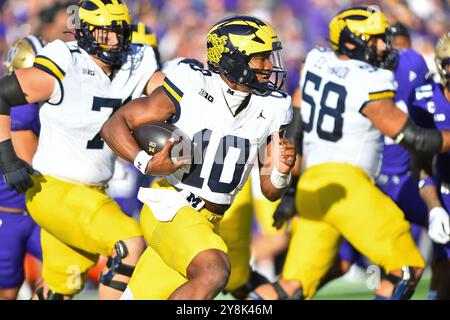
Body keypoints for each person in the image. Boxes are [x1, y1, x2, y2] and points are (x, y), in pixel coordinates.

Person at [250, 6, 450, 300]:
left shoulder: (316, 61)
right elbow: (414, 139)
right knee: (407, 267)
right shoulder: (370, 79)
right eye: (375, 39)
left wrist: (291, 193)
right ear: (351, 41)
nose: (383, 46)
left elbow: (297, 119)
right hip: (348, 185)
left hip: (312, 187)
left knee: (290, 285)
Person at [101, 15, 296, 300]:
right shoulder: (191, 83)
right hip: (170, 208)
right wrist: (145, 162)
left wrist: (282, 170)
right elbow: (115, 125)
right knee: (213, 271)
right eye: (260, 58)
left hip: (208, 221)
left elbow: (270, 191)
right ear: (233, 59)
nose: (269, 66)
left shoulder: (275, 106)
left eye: (269, 57)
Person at [0, 0, 162, 300]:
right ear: (86, 32)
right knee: (130, 241)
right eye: (105, 33)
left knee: (60, 290)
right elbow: (1, 94)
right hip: (55, 190)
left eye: (120, 32)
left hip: (93, 192)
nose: (114, 41)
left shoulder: (136, 61)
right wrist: (8, 159)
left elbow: (169, 96)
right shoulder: (65, 59)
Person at [0, 35, 45, 300]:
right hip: (14, 210)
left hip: (28, 212)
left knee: (55, 281)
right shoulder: (21, 108)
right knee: (7, 291)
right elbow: (29, 160)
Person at [410, 33, 450, 299]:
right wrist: (435, 208)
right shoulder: (425, 97)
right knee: (445, 270)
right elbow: (420, 162)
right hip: (447, 190)